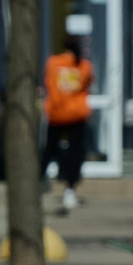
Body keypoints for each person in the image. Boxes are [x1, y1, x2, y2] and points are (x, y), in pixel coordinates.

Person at [43, 34, 95, 213]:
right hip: (76, 114)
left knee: (50, 149)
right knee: (75, 151)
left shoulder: (52, 63)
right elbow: (87, 83)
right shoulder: (84, 66)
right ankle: (70, 187)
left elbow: (48, 83)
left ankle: (40, 181)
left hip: (56, 114)